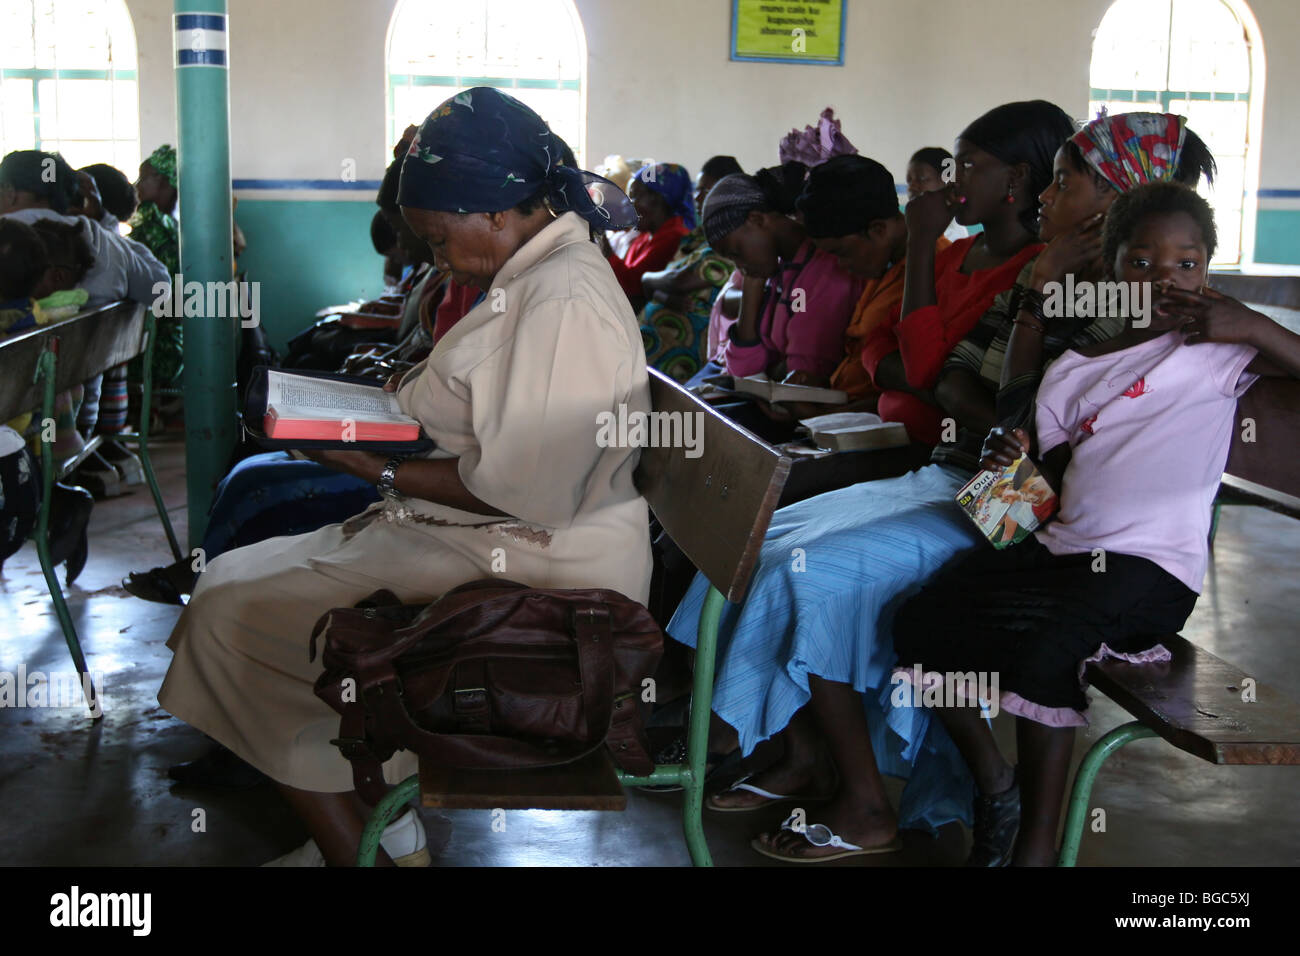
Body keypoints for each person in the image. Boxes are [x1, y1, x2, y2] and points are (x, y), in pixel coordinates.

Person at [157, 87, 651, 867]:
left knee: (230, 612)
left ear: (491, 210)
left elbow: (530, 491)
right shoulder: (533, 274)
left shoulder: (564, 297)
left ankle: (362, 844)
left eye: (437, 234)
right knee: (233, 581)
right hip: (492, 540)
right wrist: (365, 414)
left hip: (545, 572)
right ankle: (382, 826)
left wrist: (374, 463)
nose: (434, 254)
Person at [667, 100, 1080, 862]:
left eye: (969, 169)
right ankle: (788, 744)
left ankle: (867, 802)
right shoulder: (1007, 274)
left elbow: (979, 407)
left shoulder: (1072, 286)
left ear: (1019, 181)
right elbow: (938, 377)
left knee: (814, 576)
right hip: (955, 467)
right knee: (754, 536)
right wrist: (965, 398)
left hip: (1012, 499)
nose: (952, 184)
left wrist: (924, 260)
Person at [893, 181, 1300, 867]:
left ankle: (1038, 844)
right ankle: (1000, 786)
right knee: (922, 622)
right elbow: (1037, 474)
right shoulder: (1077, 367)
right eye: (1142, 263)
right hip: (1060, 550)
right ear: (1111, 270)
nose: (1165, 280)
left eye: (1187, 263)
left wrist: (1256, 326)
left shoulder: (1220, 351)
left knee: (1050, 645)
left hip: (1151, 571)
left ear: (1209, 270)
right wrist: (1011, 456)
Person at [793, 153, 947, 412]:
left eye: (842, 253)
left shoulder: (936, 268)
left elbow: (926, 385)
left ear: (878, 230)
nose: (842, 266)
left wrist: (828, 416)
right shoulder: (885, 265)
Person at [638, 155, 742, 381]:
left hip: (682, 361)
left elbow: (678, 280)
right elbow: (659, 284)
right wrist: (662, 293)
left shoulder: (728, 242)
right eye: (698, 189)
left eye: (706, 191)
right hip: (652, 352)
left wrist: (650, 281)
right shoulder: (696, 238)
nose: (697, 197)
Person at [602, 162, 694, 308]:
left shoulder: (674, 237)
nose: (629, 204)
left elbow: (634, 288)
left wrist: (602, 242)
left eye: (635, 196)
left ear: (658, 198)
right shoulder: (645, 237)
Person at [129, 145, 181, 390]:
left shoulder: (150, 221)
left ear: (162, 182)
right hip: (178, 343)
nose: (136, 185)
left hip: (156, 346)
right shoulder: (175, 225)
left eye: (142, 178)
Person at [907, 146, 968, 243]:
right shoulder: (911, 223)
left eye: (922, 179)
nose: (912, 186)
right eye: (909, 180)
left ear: (947, 182)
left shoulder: (953, 234)